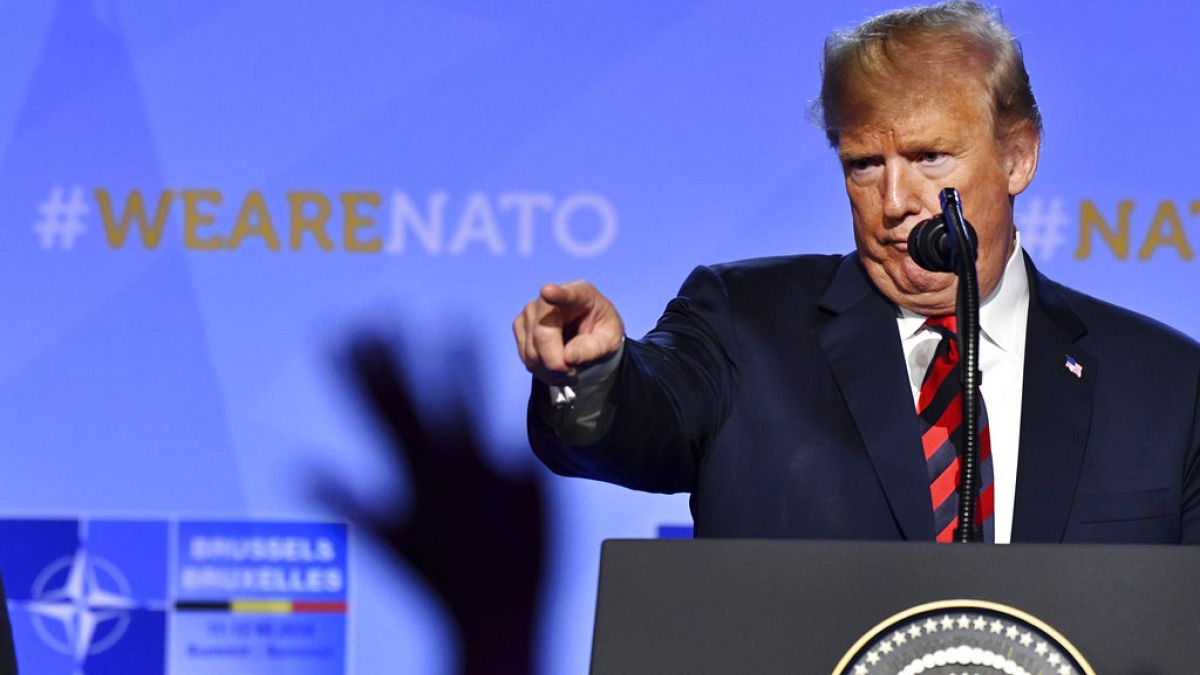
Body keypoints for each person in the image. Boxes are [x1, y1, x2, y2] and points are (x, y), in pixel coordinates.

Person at [512, 1, 1200, 544]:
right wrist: (595, 376)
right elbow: (644, 416)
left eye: (930, 157)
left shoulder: (1166, 386)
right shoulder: (741, 325)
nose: (895, 202)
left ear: (1018, 158)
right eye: (864, 165)